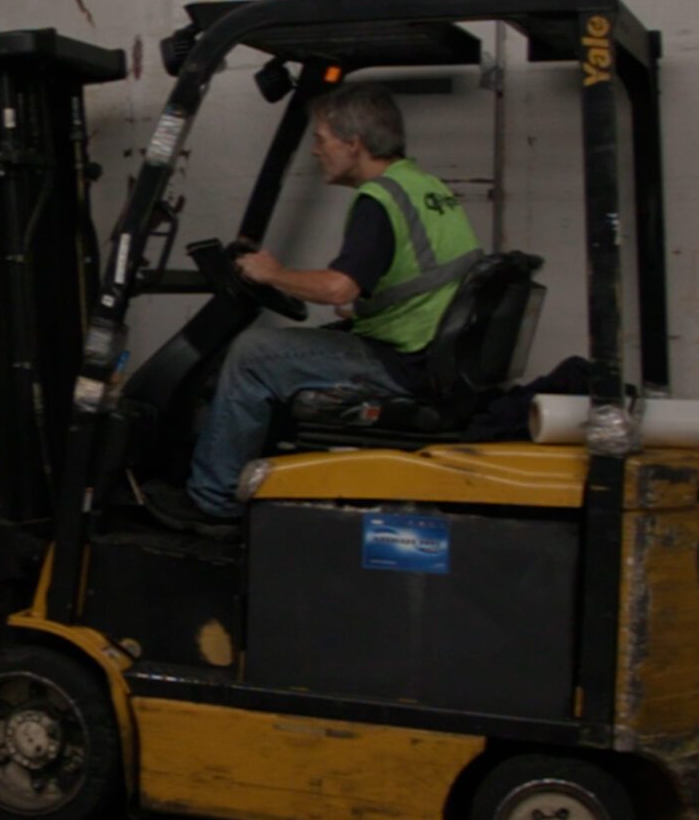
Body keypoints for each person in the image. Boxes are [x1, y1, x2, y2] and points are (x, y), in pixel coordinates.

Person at [153, 79, 483, 533]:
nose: (315, 151)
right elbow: (417, 276)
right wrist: (362, 307)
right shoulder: (424, 186)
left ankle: (214, 502)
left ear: (354, 143)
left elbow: (337, 288)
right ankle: (262, 483)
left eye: (321, 139)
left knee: (252, 356)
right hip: (431, 351)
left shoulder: (377, 200)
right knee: (288, 353)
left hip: (406, 361)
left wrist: (272, 274)